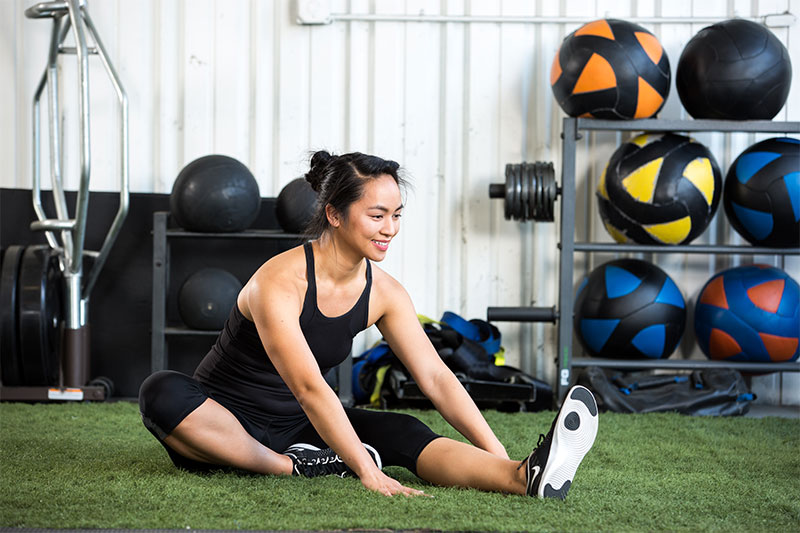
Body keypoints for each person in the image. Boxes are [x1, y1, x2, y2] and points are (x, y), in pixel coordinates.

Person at [139, 151, 598, 499]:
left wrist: (495, 453)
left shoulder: (386, 293)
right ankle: (292, 468)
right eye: (377, 216)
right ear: (335, 215)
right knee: (161, 391)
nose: (390, 229)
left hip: (302, 427)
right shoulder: (278, 281)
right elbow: (308, 386)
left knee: (401, 429)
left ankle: (522, 476)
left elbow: (437, 378)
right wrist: (365, 469)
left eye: (396, 215)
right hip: (220, 423)